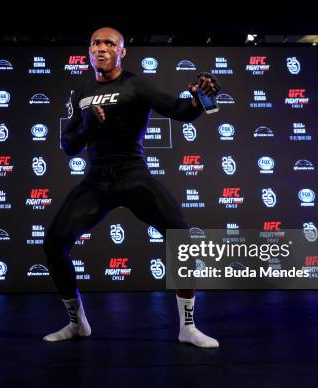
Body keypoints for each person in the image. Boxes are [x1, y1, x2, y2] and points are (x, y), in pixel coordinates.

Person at [43, 27, 220, 348]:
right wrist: (87, 127)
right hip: (97, 180)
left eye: (109, 43)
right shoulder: (80, 92)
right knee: (54, 244)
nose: (101, 48)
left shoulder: (135, 85)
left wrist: (205, 96)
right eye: (95, 43)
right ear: (89, 50)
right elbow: (68, 146)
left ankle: (188, 327)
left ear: (121, 51)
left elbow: (181, 112)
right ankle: (76, 322)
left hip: (133, 175)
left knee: (181, 238)